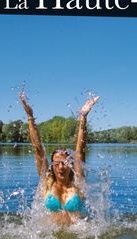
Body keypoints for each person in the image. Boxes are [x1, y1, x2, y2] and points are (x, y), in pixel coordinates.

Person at [19, 91, 99, 226]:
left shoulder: (78, 183)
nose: (61, 167)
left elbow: (79, 151)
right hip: (51, 238)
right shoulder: (47, 182)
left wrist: (83, 118)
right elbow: (38, 149)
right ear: (52, 166)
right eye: (57, 164)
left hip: (76, 235)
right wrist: (30, 117)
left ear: (71, 165)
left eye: (65, 163)